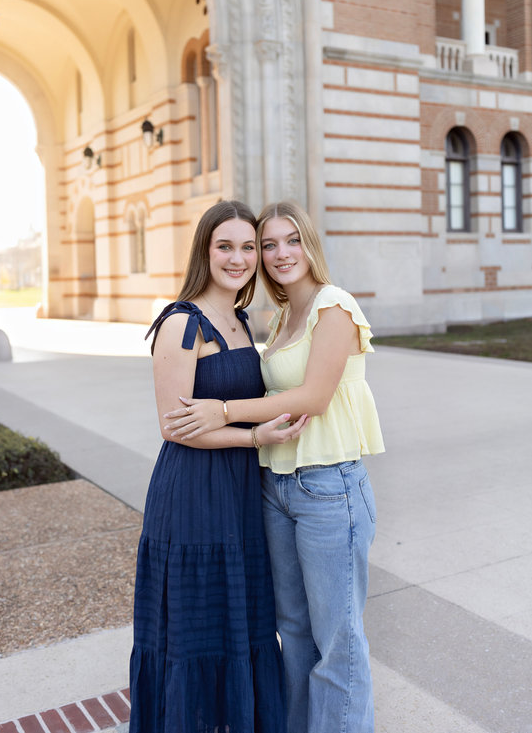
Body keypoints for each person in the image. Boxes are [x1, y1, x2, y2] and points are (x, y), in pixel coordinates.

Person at [163, 200, 385, 733]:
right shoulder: (282, 317)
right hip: (277, 486)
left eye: (292, 240)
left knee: (338, 642)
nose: (280, 253)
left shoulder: (334, 305)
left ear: (310, 244)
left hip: (329, 486)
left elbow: (313, 397)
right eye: (268, 244)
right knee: (294, 632)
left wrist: (224, 411)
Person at [128, 200, 308, 733]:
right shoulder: (182, 323)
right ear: (204, 252)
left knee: (241, 615)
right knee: (195, 624)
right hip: (194, 493)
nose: (239, 258)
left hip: (240, 491)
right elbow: (174, 426)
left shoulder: (240, 319)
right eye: (225, 246)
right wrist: (254, 436)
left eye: (248, 247)